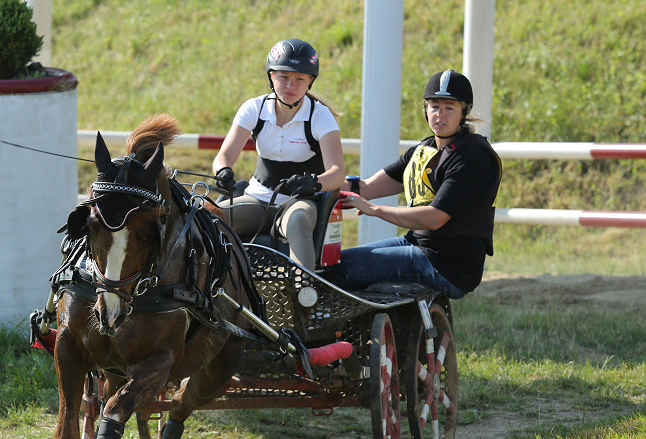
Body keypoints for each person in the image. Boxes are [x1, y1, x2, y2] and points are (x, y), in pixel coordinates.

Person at [331, 69, 502, 298]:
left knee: (342, 270)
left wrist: (373, 210)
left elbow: (433, 218)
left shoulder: (472, 157)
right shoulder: (424, 150)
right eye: (434, 106)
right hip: (419, 246)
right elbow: (367, 187)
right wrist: (318, 185)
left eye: (449, 107)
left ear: (464, 113)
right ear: (425, 110)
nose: (440, 114)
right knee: (334, 262)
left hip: (448, 265)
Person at [212, 38, 345, 271]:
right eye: (283, 77)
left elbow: (337, 174)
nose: (290, 86)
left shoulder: (321, 117)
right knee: (205, 215)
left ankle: (305, 292)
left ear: (310, 82)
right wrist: (223, 172)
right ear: (271, 76)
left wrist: (313, 183)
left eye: (299, 79)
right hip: (256, 199)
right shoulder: (254, 108)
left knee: (299, 219)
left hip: (298, 202)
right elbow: (224, 156)